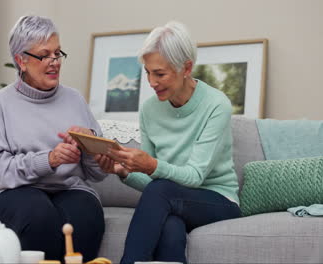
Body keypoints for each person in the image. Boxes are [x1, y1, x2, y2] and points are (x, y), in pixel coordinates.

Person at [95, 21, 241, 264]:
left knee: (161, 191)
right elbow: (155, 183)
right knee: (170, 227)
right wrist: (123, 171)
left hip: (218, 200)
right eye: (148, 73)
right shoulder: (150, 109)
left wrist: (151, 165)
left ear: (186, 68)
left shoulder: (216, 105)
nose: (152, 82)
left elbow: (194, 177)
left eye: (160, 73)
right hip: (173, 200)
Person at [0, 15, 107, 262]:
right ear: (21, 61)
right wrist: (48, 159)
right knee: (38, 214)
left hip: (68, 188)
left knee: (85, 216)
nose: (54, 62)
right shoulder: (2, 102)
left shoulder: (75, 99)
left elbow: (97, 174)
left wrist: (90, 148)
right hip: (13, 191)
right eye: (44, 55)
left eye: (57, 54)